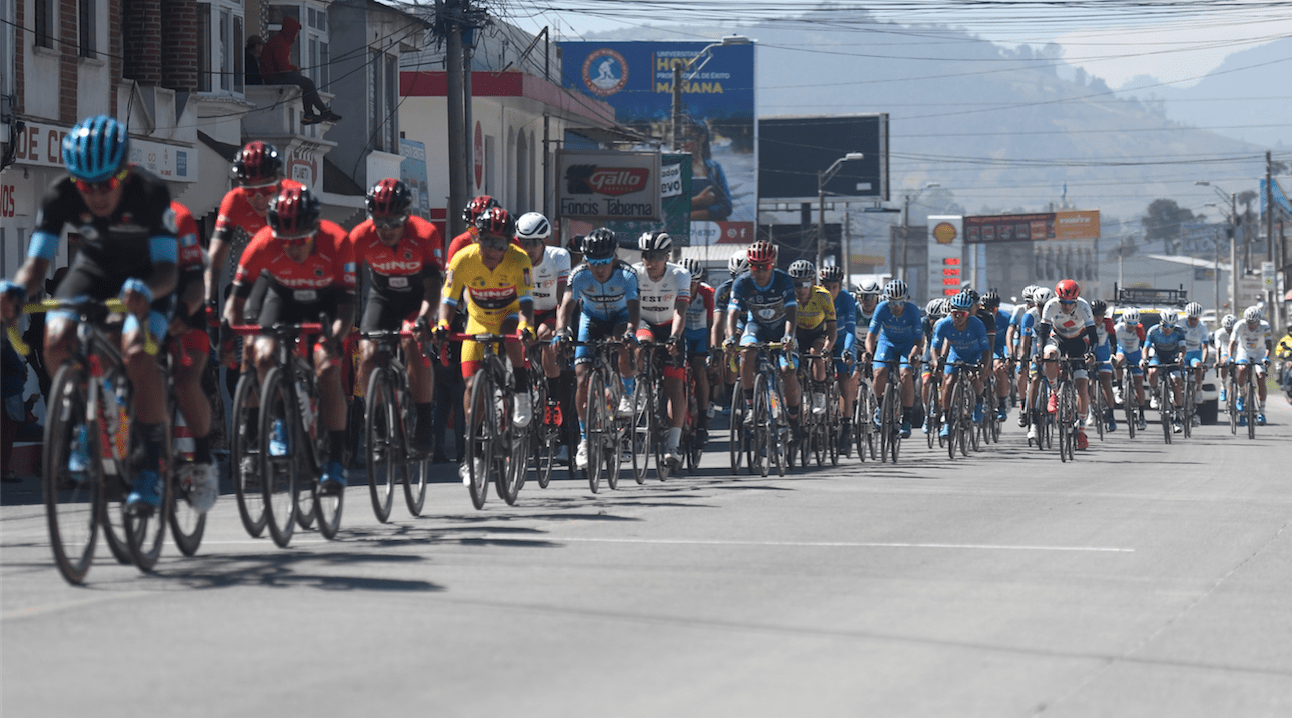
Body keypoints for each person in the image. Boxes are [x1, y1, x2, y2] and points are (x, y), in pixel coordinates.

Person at [0, 115, 177, 512]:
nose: (96, 195)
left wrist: (146, 291)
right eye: (86, 185)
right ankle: (86, 423)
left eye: (107, 184)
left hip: (147, 277)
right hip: (93, 270)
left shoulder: (149, 191)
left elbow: (169, 267)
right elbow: (37, 265)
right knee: (56, 337)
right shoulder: (61, 193)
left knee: (135, 351)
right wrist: (14, 288)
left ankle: (150, 464)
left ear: (124, 172)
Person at [221, 185, 356, 492]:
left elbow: (347, 306)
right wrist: (227, 337)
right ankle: (272, 429)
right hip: (280, 297)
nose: (293, 248)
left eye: (301, 241)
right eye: (285, 241)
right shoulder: (262, 243)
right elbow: (236, 301)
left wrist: (335, 336)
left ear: (315, 231)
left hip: (324, 303)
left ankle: (335, 458)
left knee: (327, 370)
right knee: (263, 355)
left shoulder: (337, 241)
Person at [436, 207, 535, 483]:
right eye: (488, 242)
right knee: (471, 388)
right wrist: (443, 325)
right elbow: (448, 301)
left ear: (509, 243)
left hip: (510, 314)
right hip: (477, 322)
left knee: (510, 331)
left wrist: (526, 327)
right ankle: (474, 456)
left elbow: (527, 302)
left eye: (500, 244)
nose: (493, 250)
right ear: (477, 238)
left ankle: (522, 393)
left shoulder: (520, 259)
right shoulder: (462, 259)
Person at [349, 178, 443, 452]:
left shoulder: (425, 234)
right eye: (379, 222)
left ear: (406, 217)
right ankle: (377, 426)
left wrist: (425, 319)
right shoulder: (360, 236)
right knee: (366, 354)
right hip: (382, 298)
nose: (386, 229)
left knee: (411, 342)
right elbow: (342, 284)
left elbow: (434, 286)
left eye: (393, 222)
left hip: (418, 299)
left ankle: (424, 421)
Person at [553, 228, 638, 470]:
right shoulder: (579, 275)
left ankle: (627, 395)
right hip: (591, 321)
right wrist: (561, 331)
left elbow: (633, 308)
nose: (599, 268)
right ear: (584, 259)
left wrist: (632, 330)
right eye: (592, 262)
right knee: (581, 378)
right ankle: (584, 440)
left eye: (604, 262)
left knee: (623, 339)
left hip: (620, 318)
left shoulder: (627, 274)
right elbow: (566, 307)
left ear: (614, 257)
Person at [167, 200, 220, 511]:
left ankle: (201, 459)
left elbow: (196, 286)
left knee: (186, 381)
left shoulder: (176, 218)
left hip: (186, 306)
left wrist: (185, 311)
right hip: (143, 309)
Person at [725, 240, 801, 440]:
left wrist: (789, 336)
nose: (759, 272)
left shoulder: (783, 280)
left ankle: (794, 418)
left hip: (782, 328)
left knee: (787, 371)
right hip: (757, 326)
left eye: (764, 267)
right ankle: (751, 407)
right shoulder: (742, 282)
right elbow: (732, 314)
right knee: (746, 352)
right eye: (754, 267)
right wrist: (731, 337)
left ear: (773, 264)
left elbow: (792, 311)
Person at [631, 231, 691, 469]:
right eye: (646, 255)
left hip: (671, 326)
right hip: (645, 323)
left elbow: (681, 311)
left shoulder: (680, 275)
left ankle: (673, 445)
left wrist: (675, 337)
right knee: (640, 344)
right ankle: (638, 391)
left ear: (666, 257)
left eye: (656, 256)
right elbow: (631, 310)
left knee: (674, 385)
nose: (650, 261)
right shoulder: (634, 274)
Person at [516, 211, 571, 435]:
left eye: (534, 243)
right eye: (523, 242)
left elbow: (562, 299)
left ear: (545, 241)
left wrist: (560, 330)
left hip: (550, 310)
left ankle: (552, 400)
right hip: (524, 308)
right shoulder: (515, 257)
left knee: (544, 335)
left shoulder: (559, 257)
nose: (528, 249)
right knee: (517, 339)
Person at [1036, 279, 1098, 448]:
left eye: (1071, 303)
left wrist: (1091, 353)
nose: (1066, 306)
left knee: (1082, 385)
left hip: (1079, 341)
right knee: (1049, 355)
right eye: (1063, 302)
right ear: (1057, 299)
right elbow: (1042, 333)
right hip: (1058, 339)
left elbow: (1093, 336)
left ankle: (1082, 430)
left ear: (1076, 301)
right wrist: (1039, 353)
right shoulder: (1050, 306)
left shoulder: (1084, 307)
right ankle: (1055, 392)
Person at [863, 279, 923, 438]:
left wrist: (913, 354)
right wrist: (869, 351)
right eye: (892, 303)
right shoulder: (882, 308)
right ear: (886, 301)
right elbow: (871, 336)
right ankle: (880, 407)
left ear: (906, 300)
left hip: (907, 344)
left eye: (900, 303)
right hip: (887, 342)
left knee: (906, 374)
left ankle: (907, 419)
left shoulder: (913, 311)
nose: (896, 307)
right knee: (879, 372)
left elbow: (918, 341)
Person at [258, 16, 340, 125]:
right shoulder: (280, 43)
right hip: (274, 78)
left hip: (274, 76)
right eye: (296, 33)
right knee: (308, 83)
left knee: (307, 84)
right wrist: (295, 68)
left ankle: (310, 114)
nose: (296, 36)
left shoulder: (281, 42)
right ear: (290, 31)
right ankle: (321, 112)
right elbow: (282, 68)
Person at [932, 290, 990, 437]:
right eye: (954, 313)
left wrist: (983, 366)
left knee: (974, 377)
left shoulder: (977, 325)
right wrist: (936, 364)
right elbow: (935, 349)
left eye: (962, 314)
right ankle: (947, 420)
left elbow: (986, 351)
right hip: (956, 354)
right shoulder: (944, 324)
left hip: (974, 354)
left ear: (969, 314)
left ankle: (978, 402)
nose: (957, 317)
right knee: (949, 381)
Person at [789, 260, 836, 416]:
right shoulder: (787, 296)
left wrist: (827, 349)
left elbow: (832, 328)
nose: (801, 288)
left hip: (817, 333)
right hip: (796, 333)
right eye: (797, 284)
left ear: (813, 282)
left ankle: (819, 393)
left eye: (806, 283)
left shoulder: (823, 296)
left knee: (816, 353)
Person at [819, 266, 856, 451]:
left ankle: (846, 426)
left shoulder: (847, 300)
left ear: (840, 287)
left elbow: (850, 330)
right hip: (822, 341)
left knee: (844, 379)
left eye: (834, 287)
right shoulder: (816, 296)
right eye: (827, 287)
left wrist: (847, 351)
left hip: (842, 343)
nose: (831, 291)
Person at [680, 258, 714, 447]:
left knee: (700, 371)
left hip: (700, 335)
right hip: (682, 335)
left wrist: (710, 350)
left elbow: (711, 324)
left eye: (693, 283)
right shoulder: (674, 289)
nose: (689, 287)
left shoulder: (707, 293)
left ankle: (701, 422)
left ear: (699, 283)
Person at [1143, 309, 1187, 433]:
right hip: (1158, 356)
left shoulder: (1179, 331)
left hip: (1173, 358)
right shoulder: (1153, 331)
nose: (1168, 329)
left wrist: (1181, 357)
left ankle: (1178, 417)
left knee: (1177, 383)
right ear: (1160, 323)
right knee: (1152, 371)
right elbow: (1146, 347)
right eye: (1165, 326)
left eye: (1171, 326)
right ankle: (1155, 393)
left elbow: (1183, 347)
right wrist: (1144, 359)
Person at [1228, 306, 1273, 425]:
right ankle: (1241, 394)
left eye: (1254, 323)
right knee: (1242, 369)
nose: (1251, 325)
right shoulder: (1239, 325)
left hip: (1259, 352)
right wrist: (1230, 358)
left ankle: (1262, 412)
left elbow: (1269, 344)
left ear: (1259, 321)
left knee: (1261, 376)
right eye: (1249, 322)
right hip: (1244, 351)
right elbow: (1232, 343)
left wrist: (1266, 357)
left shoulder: (1265, 326)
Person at [682, 119, 733, 222]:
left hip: (711, 233)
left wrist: (693, 215)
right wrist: (697, 201)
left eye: (689, 136)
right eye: (681, 137)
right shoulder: (674, 168)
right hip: (681, 233)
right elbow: (666, 206)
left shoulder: (714, 168)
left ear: (702, 138)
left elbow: (727, 206)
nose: (684, 142)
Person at [1114, 308, 1148, 430]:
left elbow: (1144, 345)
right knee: (1119, 360)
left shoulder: (1140, 329)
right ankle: (1119, 388)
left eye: (1134, 324)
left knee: (1138, 384)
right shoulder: (1118, 328)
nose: (1131, 326)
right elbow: (1112, 343)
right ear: (1124, 321)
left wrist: (1144, 359)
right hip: (1122, 351)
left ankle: (1142, 415)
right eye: (1129, 323)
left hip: (1135, 354)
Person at [1180, 301, 1211, 425]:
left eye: (1195, 319)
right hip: (1182, 352)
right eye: (1190, 318)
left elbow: (1205, 348)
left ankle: (1198, 389)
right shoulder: (1180, 323)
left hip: (1195, 354)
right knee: (1178, 378)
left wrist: (1204, 362)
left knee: (1197, 366)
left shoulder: (1202, 327)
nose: (1193, 321)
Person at [1089, 298, 1118, 431]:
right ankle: (1090, 410)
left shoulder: (1108, 323)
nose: (1098, 317)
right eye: (1095, 314)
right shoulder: (1086, 322)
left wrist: (1113, 354)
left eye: (1101, 314)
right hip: (1089, 352)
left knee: (1106, 381)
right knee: (1089, 382)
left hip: (1104, 352)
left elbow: (1113, 341)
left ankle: (1111, 415)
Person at [1214, 313, 1237, 404]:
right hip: (1225, 350)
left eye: (1231, 329)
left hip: (1237, 351)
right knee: (1223, 362)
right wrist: (1217, 361)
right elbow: (1218, 349)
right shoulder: (1220, 333)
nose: (1229, 331)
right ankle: (1223, 386)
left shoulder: (1239, 331)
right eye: (1228, 329)